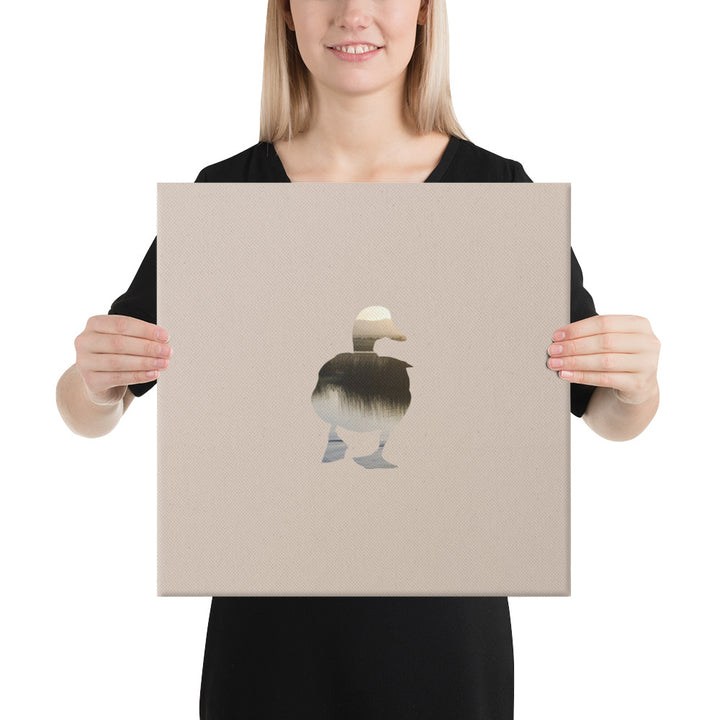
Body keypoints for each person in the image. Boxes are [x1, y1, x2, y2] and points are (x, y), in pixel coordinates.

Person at [56, 0, 661, 717]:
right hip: (267, 651)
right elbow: (88, 406)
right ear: (285, 14)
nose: (354, 13)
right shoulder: (224, 201)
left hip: (446, 649)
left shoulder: (497, 198)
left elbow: (604, 410)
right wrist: (95, 382)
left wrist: (636, 383)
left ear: (425, 13)